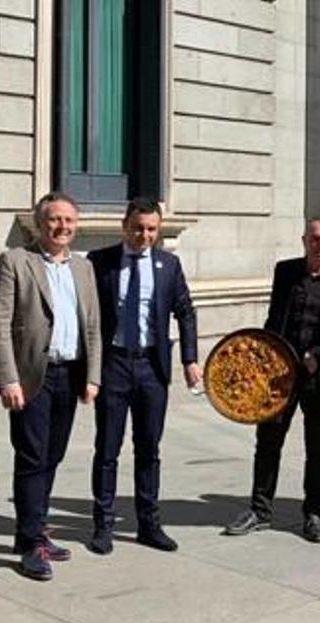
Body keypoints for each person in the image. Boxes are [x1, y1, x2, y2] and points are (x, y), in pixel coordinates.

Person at [223, 219, 320, 542]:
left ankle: (314, 514)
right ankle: (260, 511)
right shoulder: (285, 272)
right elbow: (274, 320)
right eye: (315, 239)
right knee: (268, 443)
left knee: (318, 448)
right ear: (304, 241)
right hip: (280, 376)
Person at [85, 198, 203, 556]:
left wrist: (190, 359)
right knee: (107, 448)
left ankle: (148, 524)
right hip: (114, 365)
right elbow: (87, 317)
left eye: (152, 229)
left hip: (152, 367)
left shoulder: (169, 265)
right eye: (138, 228)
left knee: (149, 449)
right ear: (125, 226)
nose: (144, 235)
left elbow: (185, 311)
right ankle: (103, 525)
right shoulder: (99, 262)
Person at [0, 192, 102, 581]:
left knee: (52, 456)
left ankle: (38, 529)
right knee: (31, 458)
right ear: (39, 224)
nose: (62, 227)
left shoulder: (83, 268)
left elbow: (93, 326)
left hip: (69, 374)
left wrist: (93, 376)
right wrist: (7, 378)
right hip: (31, 377)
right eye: (54, 220)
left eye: (69, 221)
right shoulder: (15, 261)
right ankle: (28, 544)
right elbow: (2, 326)